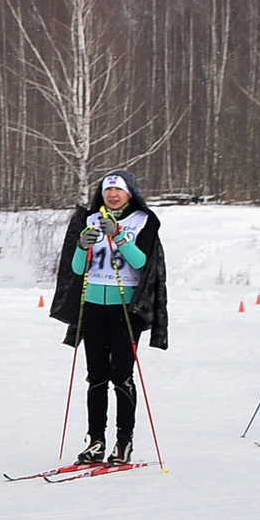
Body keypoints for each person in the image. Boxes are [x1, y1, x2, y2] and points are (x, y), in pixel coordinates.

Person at [47, 170, 168, 466]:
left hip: (126, 309)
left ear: (130, 193)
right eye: (107, 191)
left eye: (118, 191)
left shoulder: (144, 221)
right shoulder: (89, 219)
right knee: (96, 377)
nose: (112, 196)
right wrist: (82, 246)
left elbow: (142, 263)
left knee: (122, 377)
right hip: (93, 307)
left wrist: (120, 238)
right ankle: (96, 441)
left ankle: (124, 442)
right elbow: (77, 269)